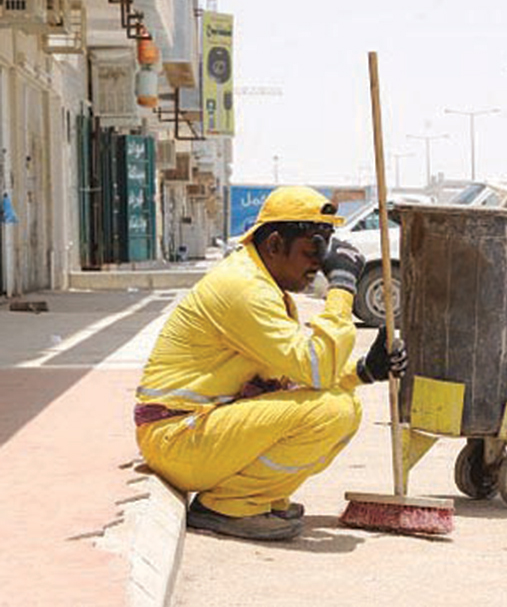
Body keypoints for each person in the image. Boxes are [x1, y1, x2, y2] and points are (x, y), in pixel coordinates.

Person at [134, 186, 407, 541]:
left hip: (191, 435)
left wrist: (364, 371)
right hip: (178, 439)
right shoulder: (245, 289)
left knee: (342, 405)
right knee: (332, 412)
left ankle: (251, 496)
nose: (319, 264)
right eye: (312, 251)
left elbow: (292, 378)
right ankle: (230, 505)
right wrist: (342, 287)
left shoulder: (261, 284)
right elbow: (318, 369)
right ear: (275, 244)